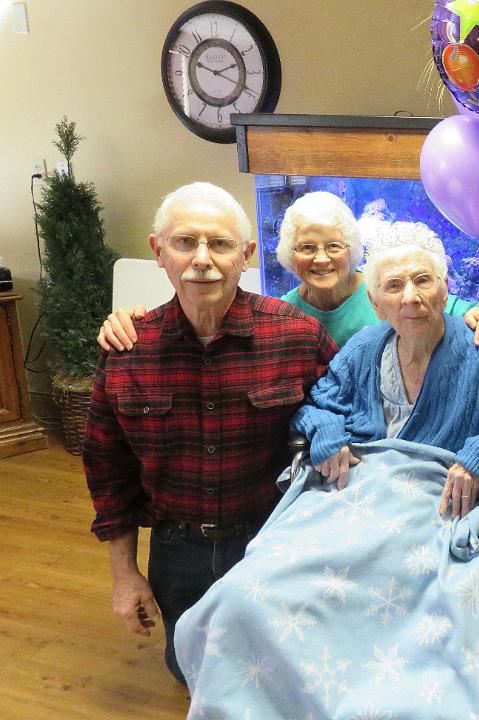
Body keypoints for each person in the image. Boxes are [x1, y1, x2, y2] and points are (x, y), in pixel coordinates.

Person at [174, 220, 479, 719]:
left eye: (423, 280)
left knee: (393, 604)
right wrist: (325, 428)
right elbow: (317, 403)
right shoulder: (364, 347)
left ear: (446, 288)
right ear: (376, 301)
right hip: (350, 492)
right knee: (243, 593)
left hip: (430, 503)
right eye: (393, 286)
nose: (410, 297)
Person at [82, 182, 337, 685]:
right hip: (178, 551)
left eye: (219, 244)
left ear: (246, 254)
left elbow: (354, 408)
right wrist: (124, 573)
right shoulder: (128, 351)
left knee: (280, 676)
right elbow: (108, 472)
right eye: (185, 242)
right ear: (159, 251)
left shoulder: (296, 336)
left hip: (273, 544)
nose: (202, 260)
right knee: (193, 674)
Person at [98, 191, 479, 352]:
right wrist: (129, 319)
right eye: (307, 248)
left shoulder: (387, 292)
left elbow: (445, 304)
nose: (321, 259)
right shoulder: (284, 313)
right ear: (289, 257)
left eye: (334, 246)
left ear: (352, 250)